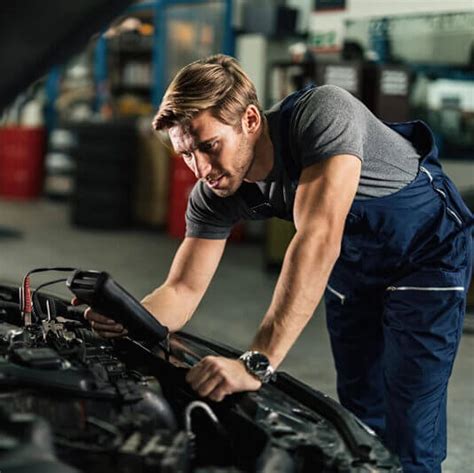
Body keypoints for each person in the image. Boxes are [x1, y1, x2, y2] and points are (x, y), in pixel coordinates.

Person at [83, 54, 472, 473]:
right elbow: (182, 290)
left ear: (250, 120)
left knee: (410, 423)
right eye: (187, 154)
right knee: (361, 410)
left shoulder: (324, 114)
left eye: (209, 146)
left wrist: (257, 361)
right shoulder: (215, 191)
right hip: (355, 264)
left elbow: (319, 239)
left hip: (426, 253)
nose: (201, 169)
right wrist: (128, 316)